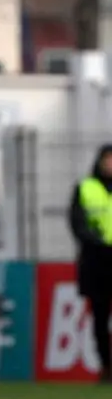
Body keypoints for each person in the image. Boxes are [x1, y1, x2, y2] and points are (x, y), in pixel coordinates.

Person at [69, 144, 112, 383]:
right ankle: (106, 366)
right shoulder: (85, 188)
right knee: (99, 316)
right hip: (96, 261)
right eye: (108, 159)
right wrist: (97, 242)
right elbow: (77, 223)